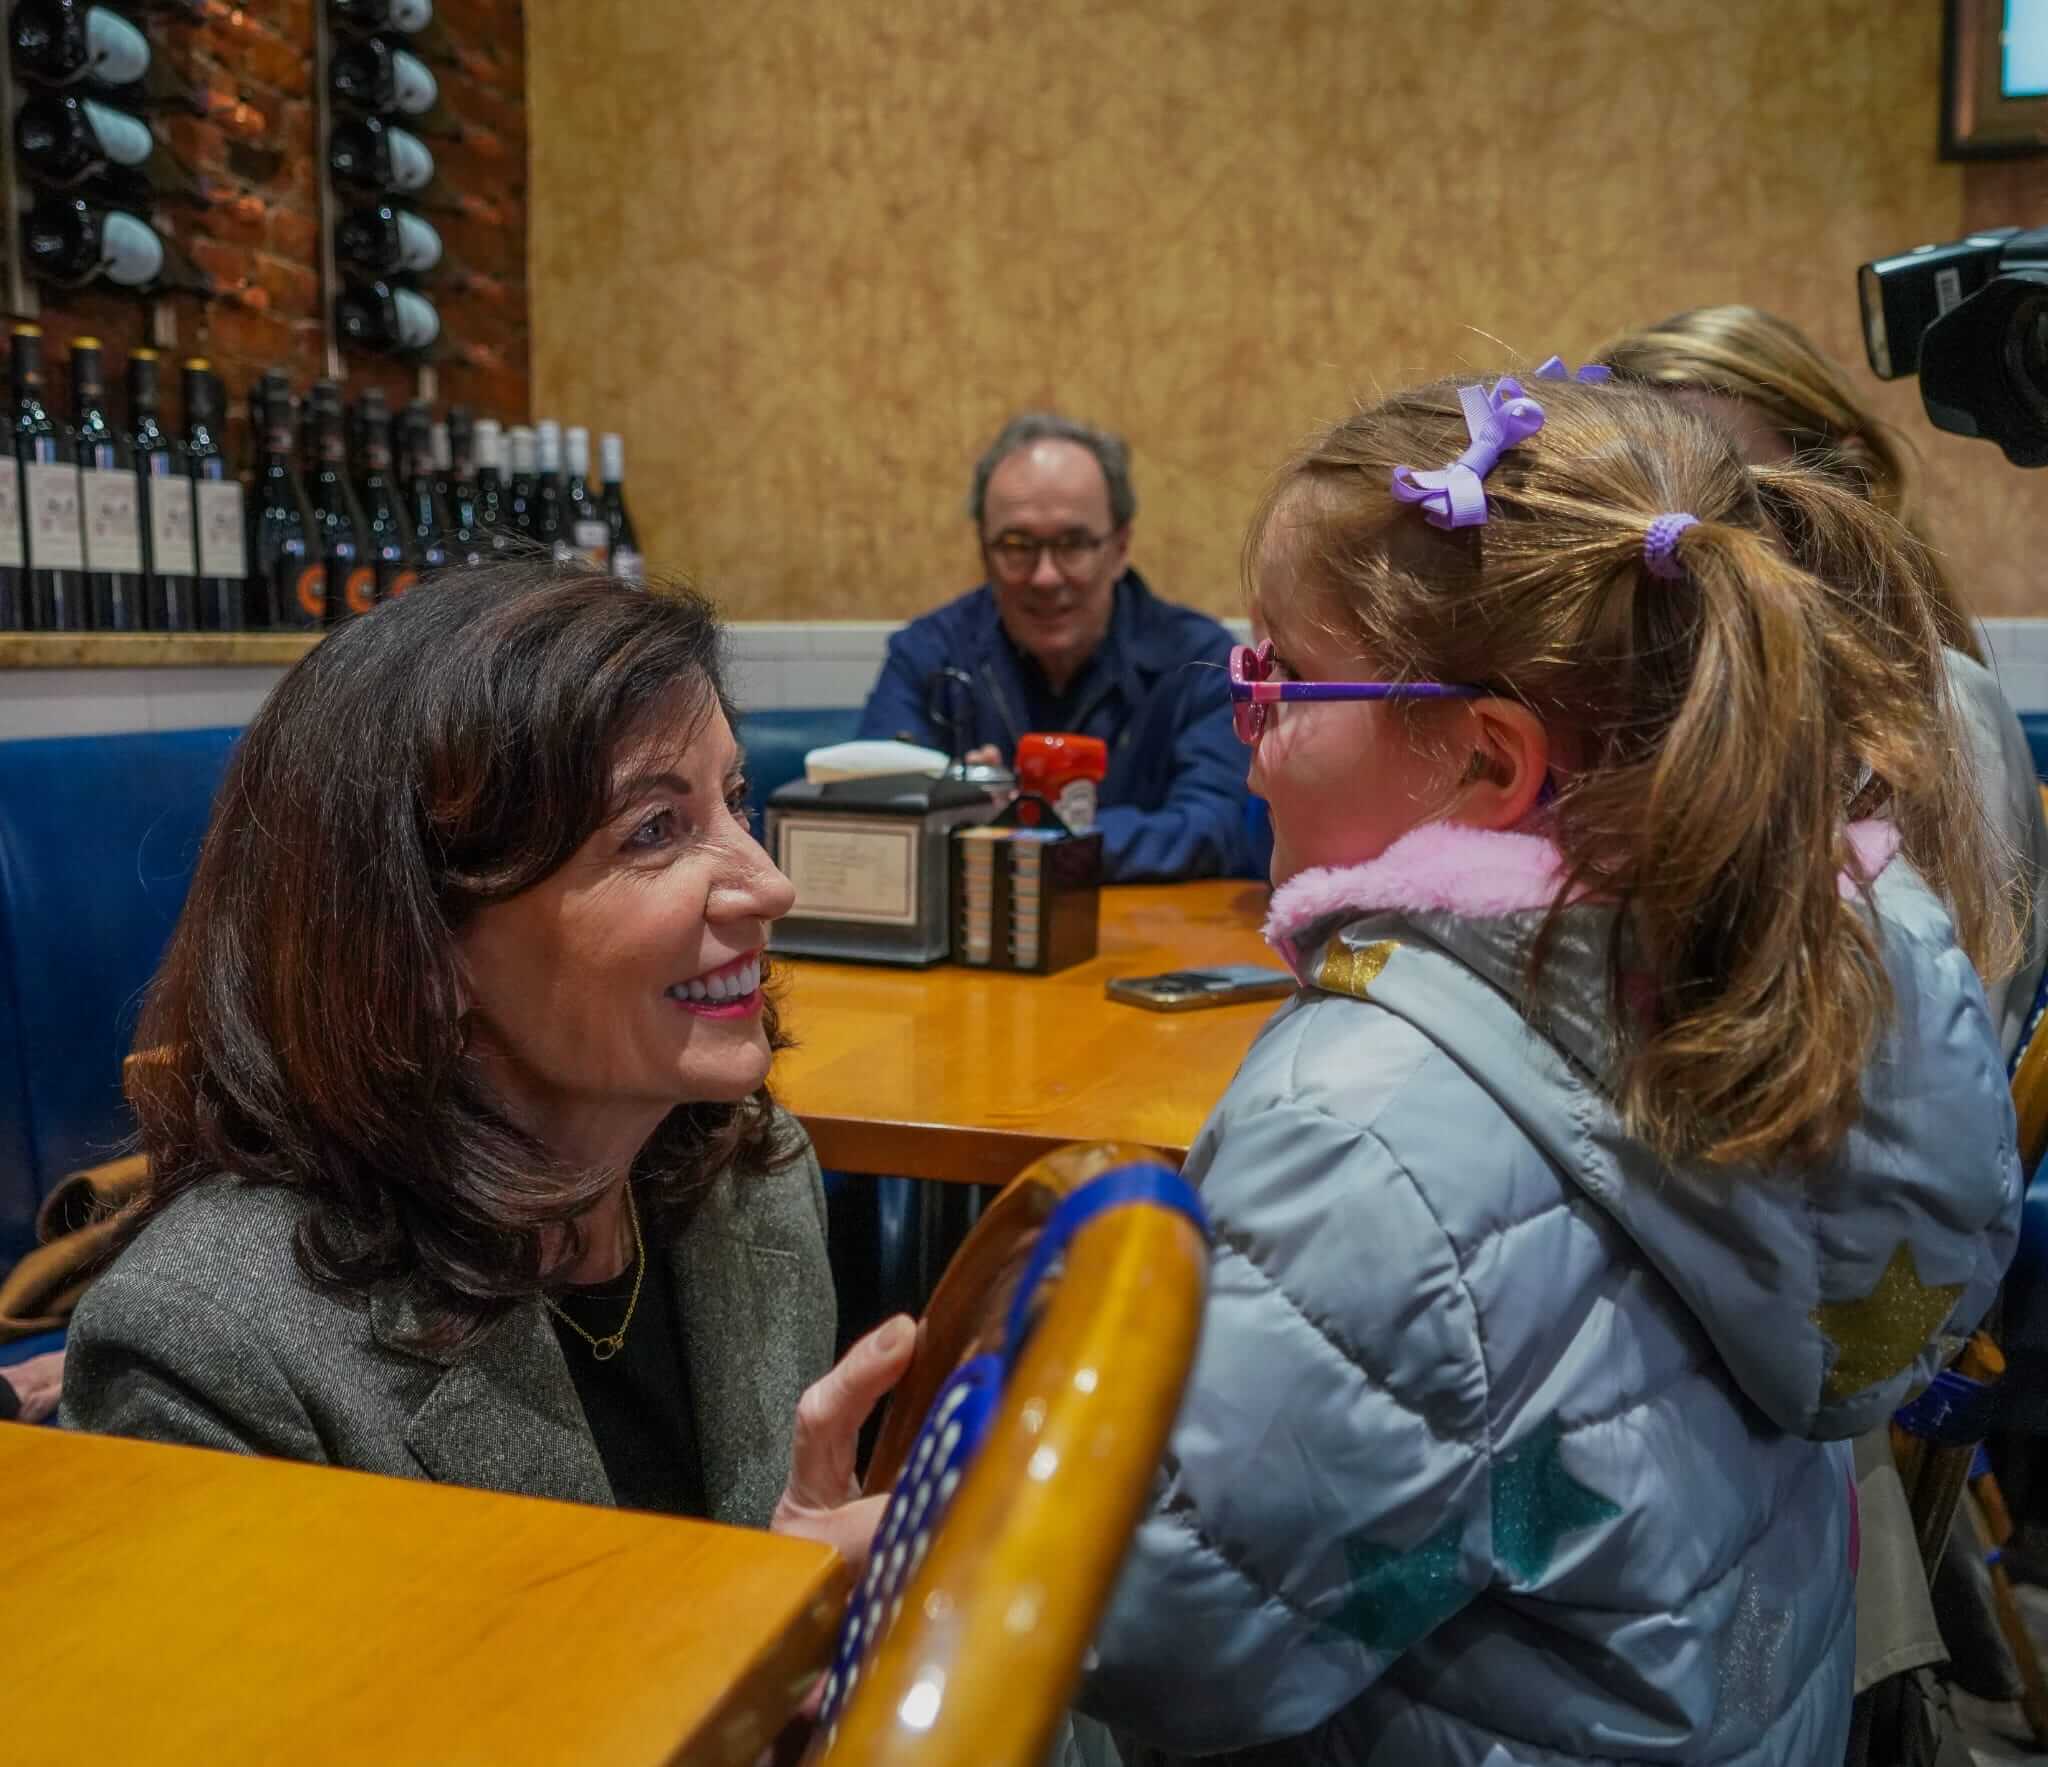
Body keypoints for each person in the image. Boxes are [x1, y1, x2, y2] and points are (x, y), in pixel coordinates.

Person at [1078, 368, 2021, 1762]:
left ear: (1488, 761)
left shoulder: (1363, 1136)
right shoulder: (1801, 953)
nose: (1247, 731)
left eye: (1274, 676)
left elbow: (1157, 1646)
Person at [62, 565, 906, 1562]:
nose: (769, 885)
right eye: (653, 830)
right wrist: (768, 1639)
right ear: (420, 945)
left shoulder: (753, 1178)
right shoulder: (213, 1350)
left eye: (734, 802)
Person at [1600, 305, 2048, 1057]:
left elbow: (1924, 1049)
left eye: (1731, 495)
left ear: (1839, 483)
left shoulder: (1943, 710)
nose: (1682, 547)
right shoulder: (1644, 698)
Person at [858, 411, 1258, 882]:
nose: (1045, 576)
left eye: (1073, 544)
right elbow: (878, 816)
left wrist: (1023, 829)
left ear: (1121, 547)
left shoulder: (1199, 660)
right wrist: (951, 802)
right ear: (984, 552)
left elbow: (1216, 829)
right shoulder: (926, 656)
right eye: (1016, 544)